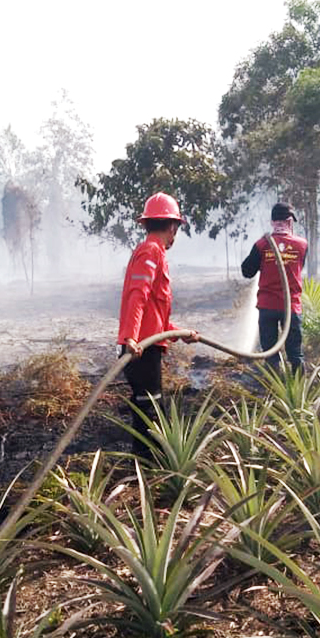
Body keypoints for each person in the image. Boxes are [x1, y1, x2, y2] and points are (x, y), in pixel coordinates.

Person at [117, 192, 199, 455]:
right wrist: (131, 337)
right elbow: (137, 295)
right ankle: (148, 468)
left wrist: (179, 333)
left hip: (146, 346)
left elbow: (155, 316)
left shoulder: (154, 252)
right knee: (150, 411)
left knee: (148, 409)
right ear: (172, 226)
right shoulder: (151, 251)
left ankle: (146, 466)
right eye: (176, 227)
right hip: (141, 350)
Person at [241, 202, 308, 370]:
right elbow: (300, 267)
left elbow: (247, 271)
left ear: (272, 222)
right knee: (295, 353)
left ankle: (272, 388)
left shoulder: (261, 245)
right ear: (290, 222)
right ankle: (298, 389)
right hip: (291, 307)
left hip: (267, 307)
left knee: (270, 352)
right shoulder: (302, 245)